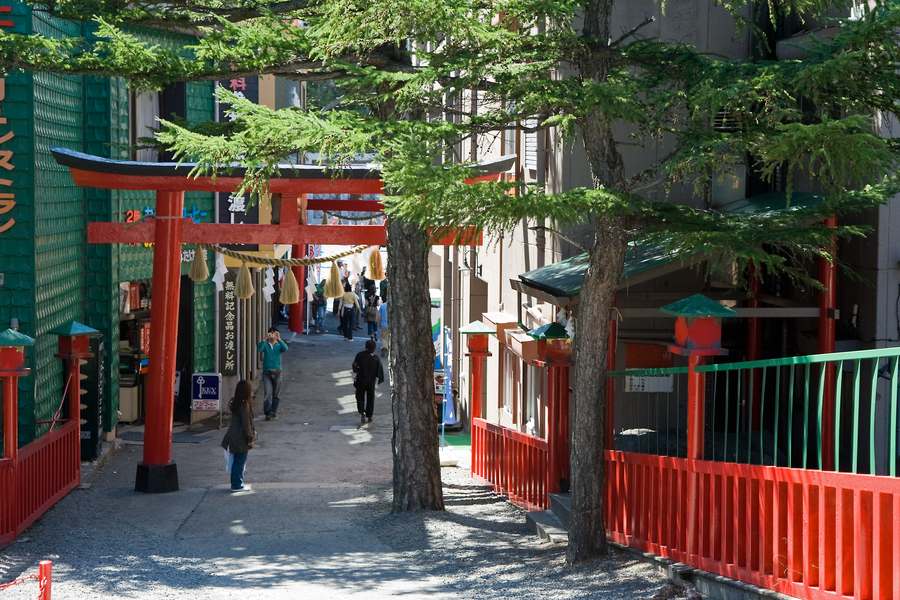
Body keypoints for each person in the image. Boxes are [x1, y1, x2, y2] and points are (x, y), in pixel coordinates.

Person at [221, 380, 256, 491]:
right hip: (240, 438)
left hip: (233, 437)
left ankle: (237, 483)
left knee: (236, 461)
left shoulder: (236, 403)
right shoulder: (244, 405)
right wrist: (250, 437)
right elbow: (246, 424)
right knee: (239, 461)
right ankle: (237, 484)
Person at [257, 327, 288, 420]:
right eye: (271, 333)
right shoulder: (265, 344)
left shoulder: (279, 345)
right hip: (267, 372)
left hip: (277, 372)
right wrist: (265, 339)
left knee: (276, 394)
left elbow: (285, 349)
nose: (273, 335)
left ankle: (273, 412)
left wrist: (279, 339)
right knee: (267, 393)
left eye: (275, 333)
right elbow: (260, 349)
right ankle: (267, 412)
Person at [352, 339, 384, 427]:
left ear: (365, 347)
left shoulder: (359, 355)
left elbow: (354, 366)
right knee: (370, 398)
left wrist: (357, 371)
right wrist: (379, 379)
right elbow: (379, 371)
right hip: (371, 382)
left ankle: (362, 413)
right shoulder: (376, 358)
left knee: (360, 397)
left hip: (361, 381)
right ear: (374, 348)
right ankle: (369, 416)